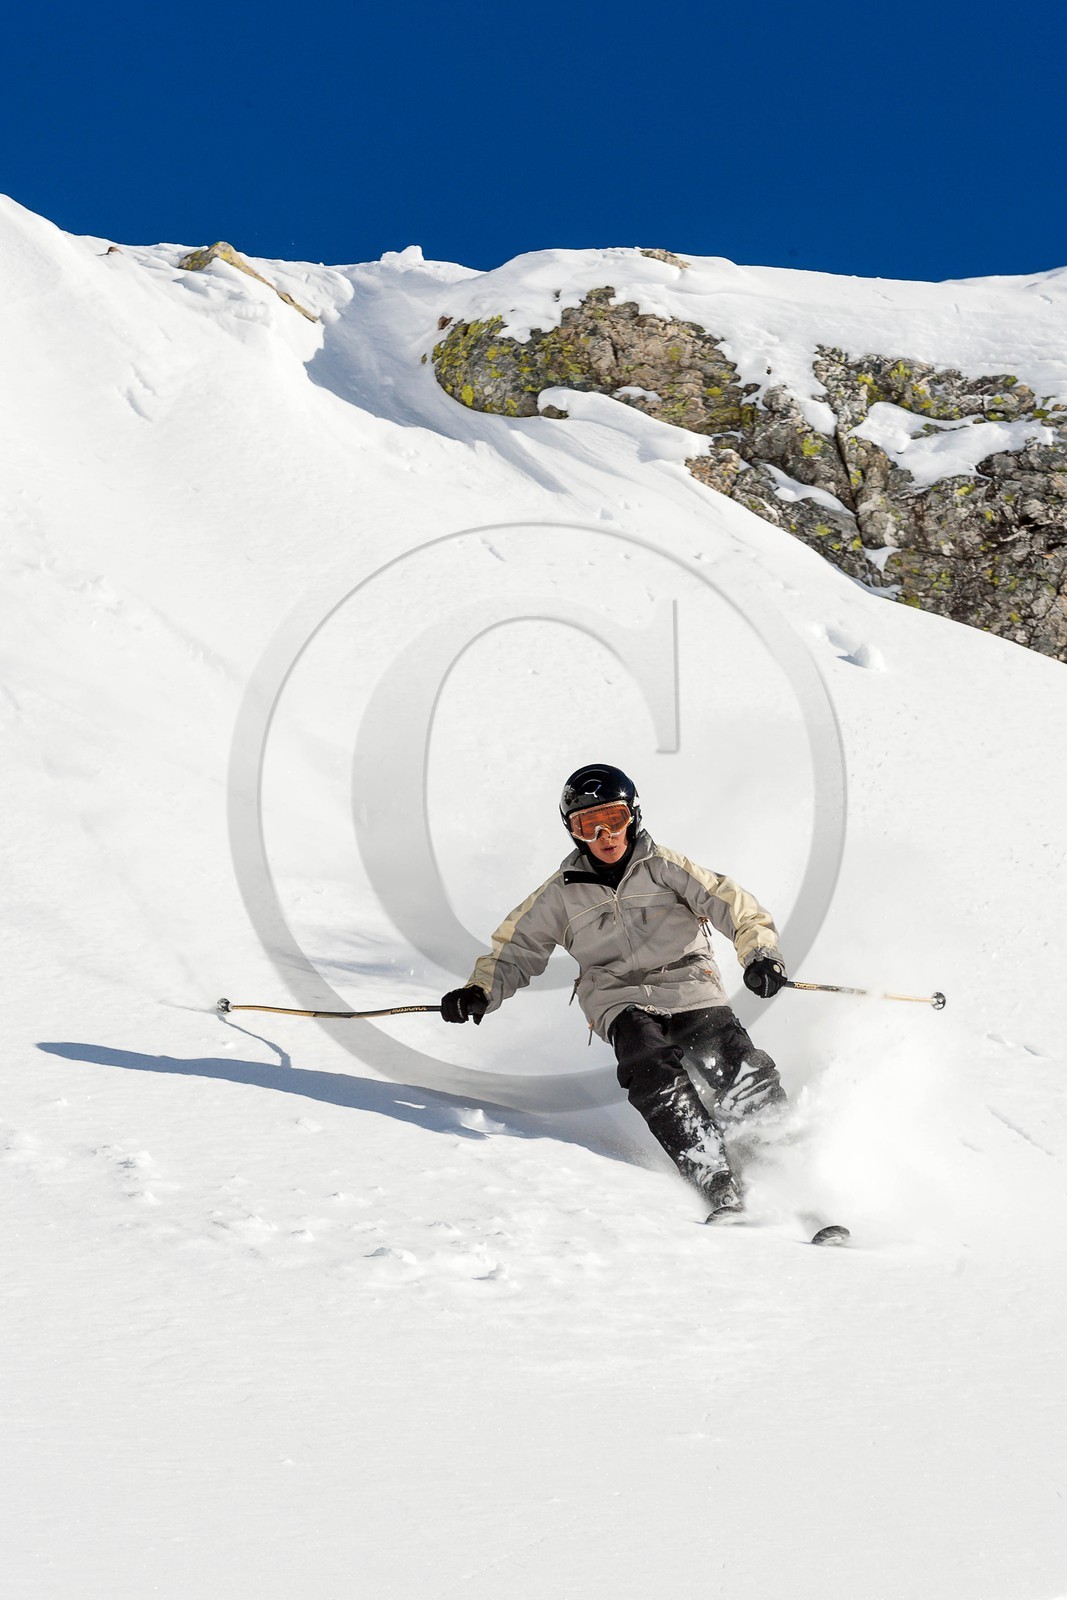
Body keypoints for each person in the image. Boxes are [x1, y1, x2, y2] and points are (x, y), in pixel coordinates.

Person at [440, 762, 789, 1220]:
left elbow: (737, 909)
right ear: (573, 832)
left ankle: (784, 1164)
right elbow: (516, 948)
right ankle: (714, 1177)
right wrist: (480, 990)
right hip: (617, 995)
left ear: (634, 816)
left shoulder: (666, 868)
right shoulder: (560, 895)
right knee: (648, 1064)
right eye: (588, 825)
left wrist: (760, 955)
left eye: (614, 819)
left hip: (687, 983)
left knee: (730, 1057)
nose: (604, 835)